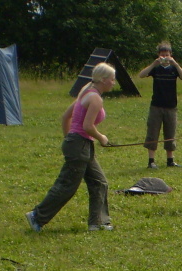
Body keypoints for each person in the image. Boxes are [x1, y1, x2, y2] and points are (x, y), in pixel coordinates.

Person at [25, 62, 116, 232]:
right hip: (79, 145)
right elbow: (88, 126)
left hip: (79, 144)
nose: (114, 82)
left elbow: (66, 117)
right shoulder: (95, 98)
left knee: (99, 182)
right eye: (112, 79)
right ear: (103, 80)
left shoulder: (86, 90)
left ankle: (97, 223)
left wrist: (69, 138)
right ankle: (37, 216)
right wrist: (101, 137)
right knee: (67, 186)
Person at [139, 41, 182, 169]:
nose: (165, 57)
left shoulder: (173, 69)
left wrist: (176, 64)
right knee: (153, 132)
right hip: (156, 106)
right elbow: (141, 75)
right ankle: (151, 161)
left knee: (170, 133)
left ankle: (170, 160)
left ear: (171, 55)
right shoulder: (155, 68)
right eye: (162, 55)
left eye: (167, 55)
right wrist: (153, 64)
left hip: (171, 107)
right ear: (158, 55)